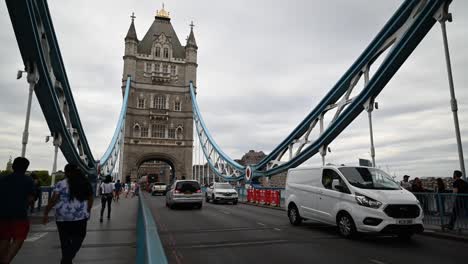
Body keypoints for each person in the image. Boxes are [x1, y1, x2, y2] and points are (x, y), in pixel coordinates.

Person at [43, 164, 93, 264]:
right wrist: (88, 210)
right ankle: (66, 259)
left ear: (66, 172)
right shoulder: (85, 183)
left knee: (64, 241)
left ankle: (67, 260)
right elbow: (90, 199)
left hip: (62, 217)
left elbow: (53, 200)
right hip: (80, 217)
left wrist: (46, 213)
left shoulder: (60, 184)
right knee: (79, 238)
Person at [0, 157, 34, 264]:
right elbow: (31, 199)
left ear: (13, 166)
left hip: (2, 214)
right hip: (19, 214)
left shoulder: (3, 179)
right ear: (26, 168)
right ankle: (6, 261)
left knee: (4, 239)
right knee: (18, 239)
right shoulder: (28, 180)